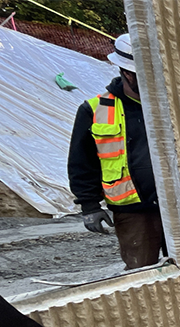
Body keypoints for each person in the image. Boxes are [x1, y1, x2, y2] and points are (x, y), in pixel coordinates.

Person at [68, 33, 165, 270]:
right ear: (125, 72)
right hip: (133, 211)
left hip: (177, 206)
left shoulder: (170, 104)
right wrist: (89, 206)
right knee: (142, 273)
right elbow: (81, 162)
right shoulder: (95, 110)